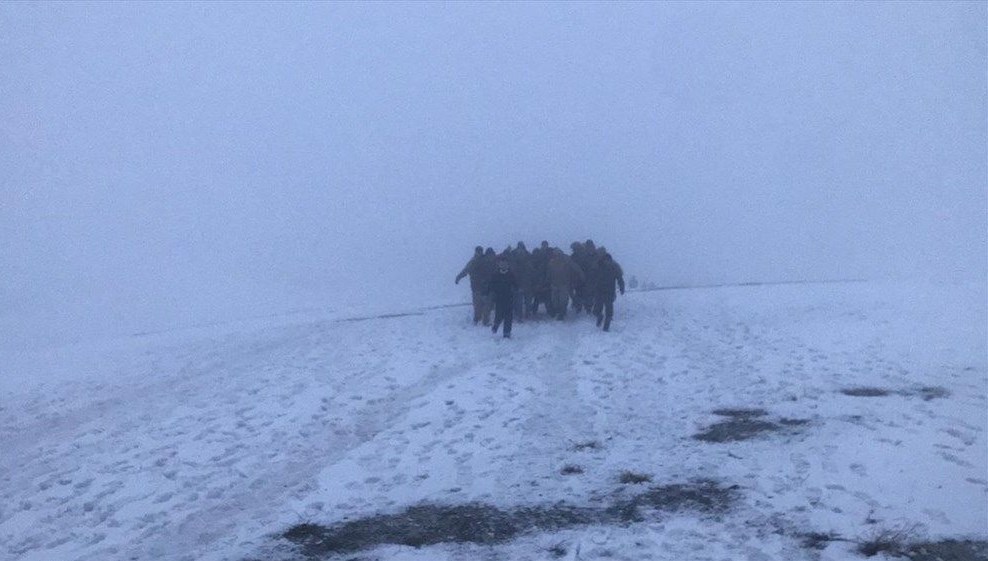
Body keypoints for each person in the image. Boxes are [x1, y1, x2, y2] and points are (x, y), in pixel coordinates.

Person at [455, 245, 494, 325]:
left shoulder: (485, 260)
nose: (479, 253)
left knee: (486, 305)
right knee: (478, 305)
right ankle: (477, 319)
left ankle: (484, 320)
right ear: (476, 252)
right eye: (478, 252)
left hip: (485, 287)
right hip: (477, 287)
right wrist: (459, 277)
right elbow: (466, 270)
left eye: (480, 251)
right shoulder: (474, 261)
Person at [546, 248, 584, 320]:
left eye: (558, 254)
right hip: (554, 284)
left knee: (563, 300)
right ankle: (558, 311)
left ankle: (562, 313)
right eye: (555, 255)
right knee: (555, 301)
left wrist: (581, 275)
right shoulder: (551, 262)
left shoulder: (567, 261)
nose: (556, 256)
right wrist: (547, 281)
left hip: (564, 284)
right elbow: (549, 273)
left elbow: (576, 268)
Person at [592, 251, 625, 332]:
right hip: (599, 291)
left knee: (609, 309)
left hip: (609, 292)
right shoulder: (598, 266)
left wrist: (622, 287)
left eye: (608, 260)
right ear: (603, 260)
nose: (607, 262)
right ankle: (599, 316)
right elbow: (592, 277)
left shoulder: (614, 268)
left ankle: (606, 327)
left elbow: (620, 278)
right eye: (605, 260)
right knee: (596, 310)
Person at [488, 257, 518, 338]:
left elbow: (516, 285)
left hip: (509, 298)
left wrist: (516, 289)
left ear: (508, 265)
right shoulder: (495, 275)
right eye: (501, 264)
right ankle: (496, 325)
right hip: (499, 298)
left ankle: (507, 332)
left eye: (505, 264)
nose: (503, 265)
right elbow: (490, 285)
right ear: (499, 265)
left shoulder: (511, 274)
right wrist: (487, 292)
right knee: (499, 315)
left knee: (508, 316)